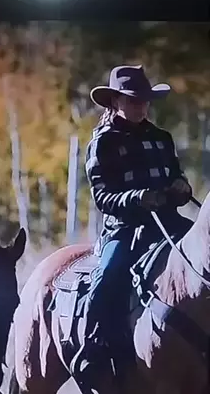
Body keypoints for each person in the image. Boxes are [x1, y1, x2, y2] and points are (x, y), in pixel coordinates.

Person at [70, 65, 194, 387]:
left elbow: (175, 177)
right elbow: (103, 197)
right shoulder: (103, 143)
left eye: (144, 100)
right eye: (132, 100)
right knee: (107, 277)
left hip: (169, 223)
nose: (140, 106)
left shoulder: (162, 139)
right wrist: (138, 198)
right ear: (115, 101)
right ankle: (94, 348)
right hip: (125, 229)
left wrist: (181, 188)